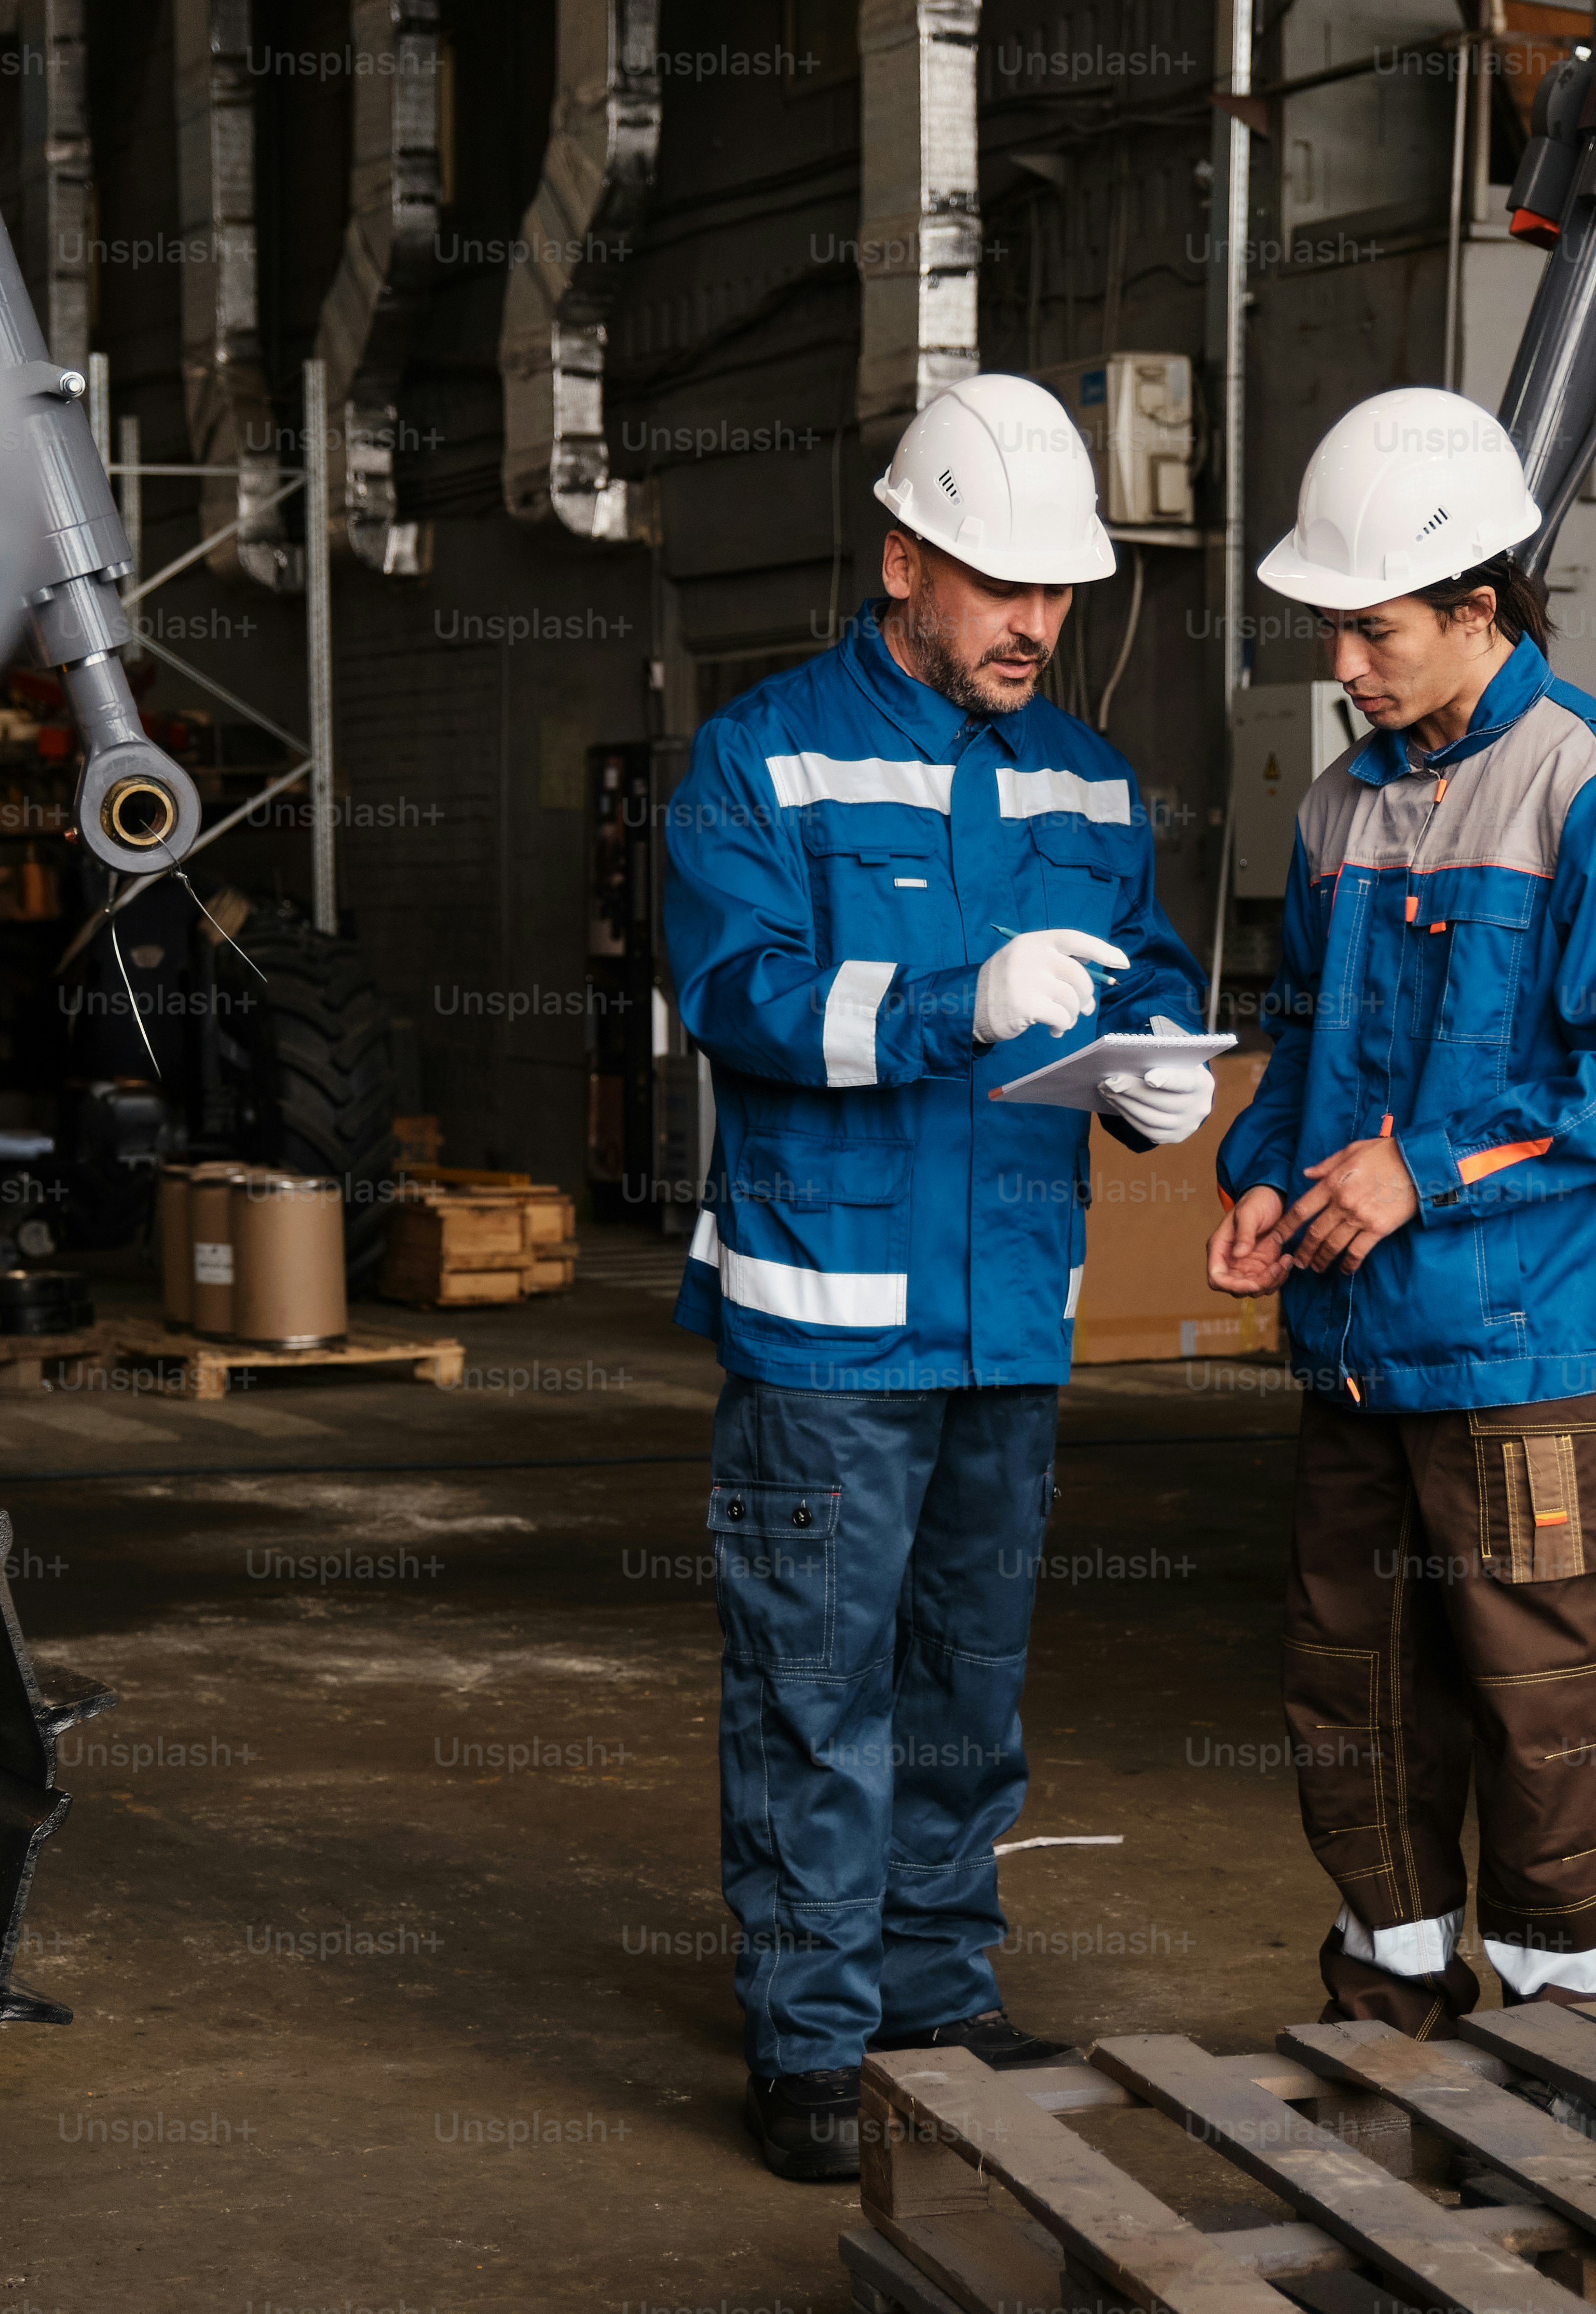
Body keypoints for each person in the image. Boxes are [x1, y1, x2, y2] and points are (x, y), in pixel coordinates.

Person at [665, 372, 1213, 2178]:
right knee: (817, 1694)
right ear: (903, 560)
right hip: (833, 1326)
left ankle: (933, 1988)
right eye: (1001, 586)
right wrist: (945, 1008)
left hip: (1006, 1312)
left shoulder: (1089, 773)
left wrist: (1150, 1070)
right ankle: (814, 2043)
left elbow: (1135, 968)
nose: (1037, 626)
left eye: (1060, 592)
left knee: (968, 1685)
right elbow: (736, 997)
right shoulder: (765, 757)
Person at [1207, 385, 1596, 2037]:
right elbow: (1303, 1044)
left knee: (1541, 1695)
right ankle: (1395, 1999)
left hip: (1521, 1347)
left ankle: (1588, 2042)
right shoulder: (1338, 805)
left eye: (1370, 633)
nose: (1343, 670)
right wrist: (1261, 1182)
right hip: (1361, 1339)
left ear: (1477, 610)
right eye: (1330, 633)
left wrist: (1419, 1172)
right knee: (1350, 1685)